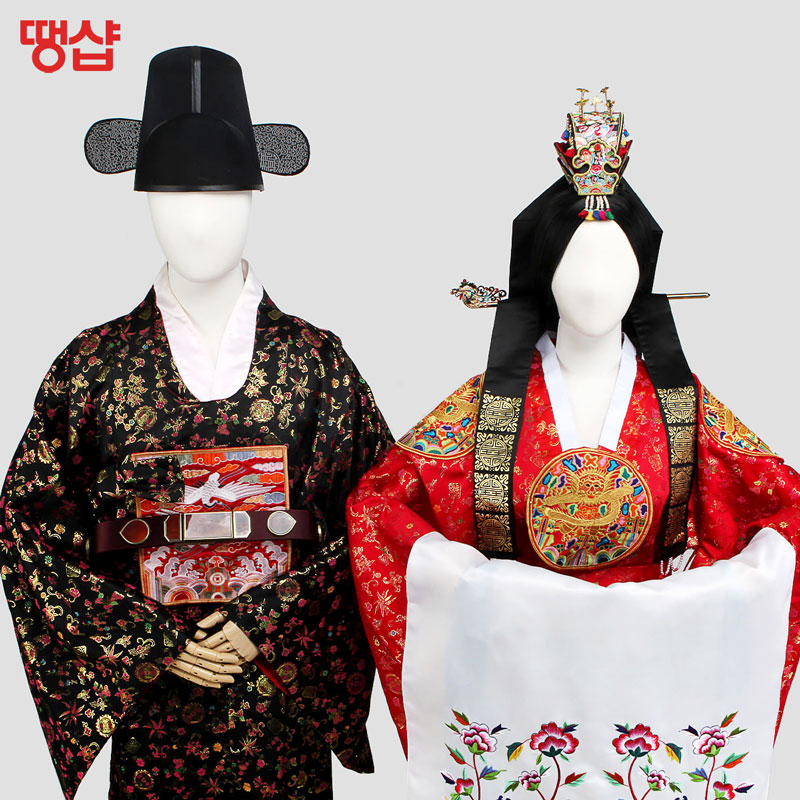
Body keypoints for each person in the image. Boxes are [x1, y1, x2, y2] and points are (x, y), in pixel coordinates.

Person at [346, 92, 800, 789]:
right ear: (542, 273)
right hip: (517, 670)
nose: (596, 285)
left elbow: (781, 507)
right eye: (574, 263)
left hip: (652, 666)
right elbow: (379, 506)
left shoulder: (680, 405)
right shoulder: (487, 406)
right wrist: (472, 585)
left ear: (644, 274)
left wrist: (711, 593)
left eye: (616, 263)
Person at [0, 46, 391, 800]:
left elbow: (379, 519)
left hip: (280, 710)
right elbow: (27, 526)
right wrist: (151, 642)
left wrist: (270, 624)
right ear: (145, 203)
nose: (200, 222)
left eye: (224, 197)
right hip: (156, 714)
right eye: (174, 198)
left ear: (254, 199)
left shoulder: (317, 362)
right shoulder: (94, 365)